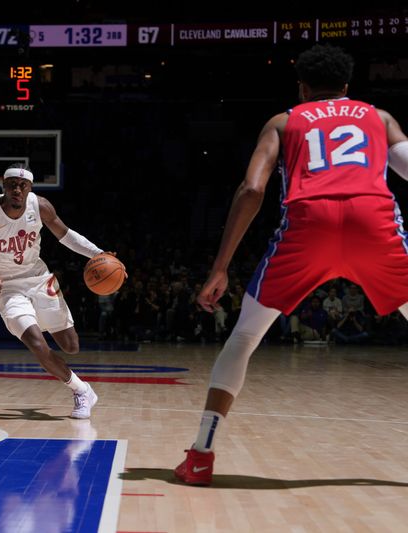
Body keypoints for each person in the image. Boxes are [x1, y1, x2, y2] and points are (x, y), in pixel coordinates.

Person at [175, 44, 408, 486]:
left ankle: (201, 454)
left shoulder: (284, 121)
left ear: (302, 87)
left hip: (308, 224)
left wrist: (220, 266)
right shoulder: (378, 117)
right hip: (373, 221)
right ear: (346, 87)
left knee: (244, 335)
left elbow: (251, 189)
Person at [0, 164, 114, 419]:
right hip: (6, 287)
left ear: (29, 188)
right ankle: (81, 390)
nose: (17, 190)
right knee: (36, 343)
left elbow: (66, 235)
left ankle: (40, 322)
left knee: (71, 346)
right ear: (3, 186)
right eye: (12, 185)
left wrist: (98, 253)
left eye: (22, 186)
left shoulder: (40, 206)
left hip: (39, 278)